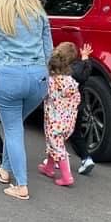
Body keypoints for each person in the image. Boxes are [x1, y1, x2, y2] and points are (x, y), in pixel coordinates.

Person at [0, 0, 52, 201]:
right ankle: (5, 170)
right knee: (16, 124)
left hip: (8, 76)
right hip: (38, 78)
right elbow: (48, 50)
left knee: (12, 128)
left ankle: (21, 185)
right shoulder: (38, 10)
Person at [38, 42, 82, 186]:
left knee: (57, 146)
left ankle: (66, 176)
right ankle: (49, 167)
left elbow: (44, 96)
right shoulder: (71, 82)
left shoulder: (51, 82)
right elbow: (77, 100)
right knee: (54, 143)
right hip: (68, 121)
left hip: (54, 121)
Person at [69, 43, 95, 176]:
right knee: (76, 135)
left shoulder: (64, 72)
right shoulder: (81, 71)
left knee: (57, 135)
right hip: (78, 107)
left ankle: (56, 159)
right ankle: (86, 158)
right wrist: (85, 57)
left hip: (64, 110)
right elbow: (87, 68)